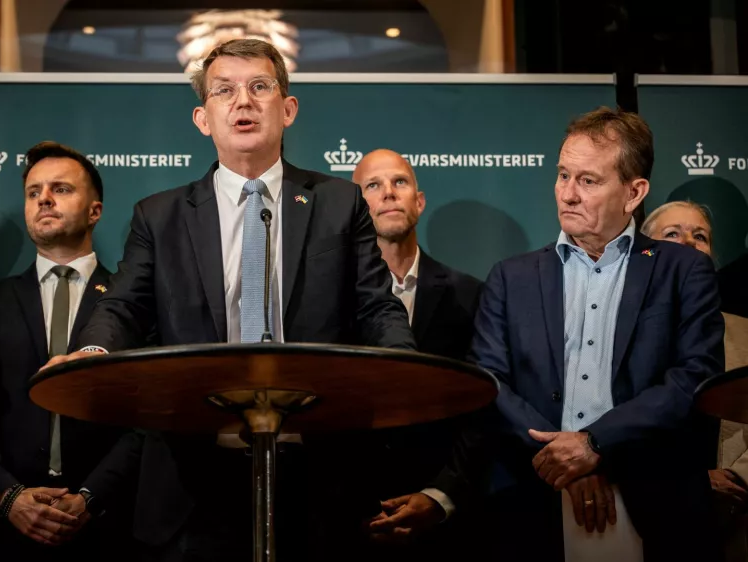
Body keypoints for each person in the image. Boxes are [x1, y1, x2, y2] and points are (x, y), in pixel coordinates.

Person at [45, 39, 415, 561]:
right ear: (203, 118)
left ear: (287, 108)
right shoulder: (160, 215)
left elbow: (376, 306)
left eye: (259, 87)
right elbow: (123, 307)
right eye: (225, 91)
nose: (243, 101)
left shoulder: (339, 202)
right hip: (193, 477)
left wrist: (404, 366)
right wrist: (92, 353)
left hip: (316, 474)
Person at [470, 107, 725, 562]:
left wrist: (595, 445)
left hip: (655, 498)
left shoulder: (684, 270)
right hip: (534, 502)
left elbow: (695, 378)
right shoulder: (511, 277)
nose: (567, 194)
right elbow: (488, 382)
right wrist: (564, 461)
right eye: (563, 175)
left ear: (634, 192)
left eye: (588, 181)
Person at [0, 141, 130, 561]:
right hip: (7, 524)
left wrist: (92, 495)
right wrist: (9, 496)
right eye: (34, 192)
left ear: (95, 210)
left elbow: (149, 419)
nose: (44, 200)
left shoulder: (131, 303)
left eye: (61, 189)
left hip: (110, 525)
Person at [350, 149, 489, 556]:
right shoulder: (327, 298)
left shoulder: (470, 294)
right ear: (355, 210)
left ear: (419, 200)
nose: (389, 193)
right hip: (346, 520)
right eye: (372, 186)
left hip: (445, 522)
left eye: (400, 182)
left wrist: (441, 494)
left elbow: (482, 407)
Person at [641, 200, 748, 562]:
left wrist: (739, 478)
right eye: (673, 234)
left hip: (735, 518)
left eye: (699, 236)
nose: (688, 242)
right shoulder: (615, 329)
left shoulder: (746, 334)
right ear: (643, 250)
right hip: (638, 513)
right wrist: (695, 485)